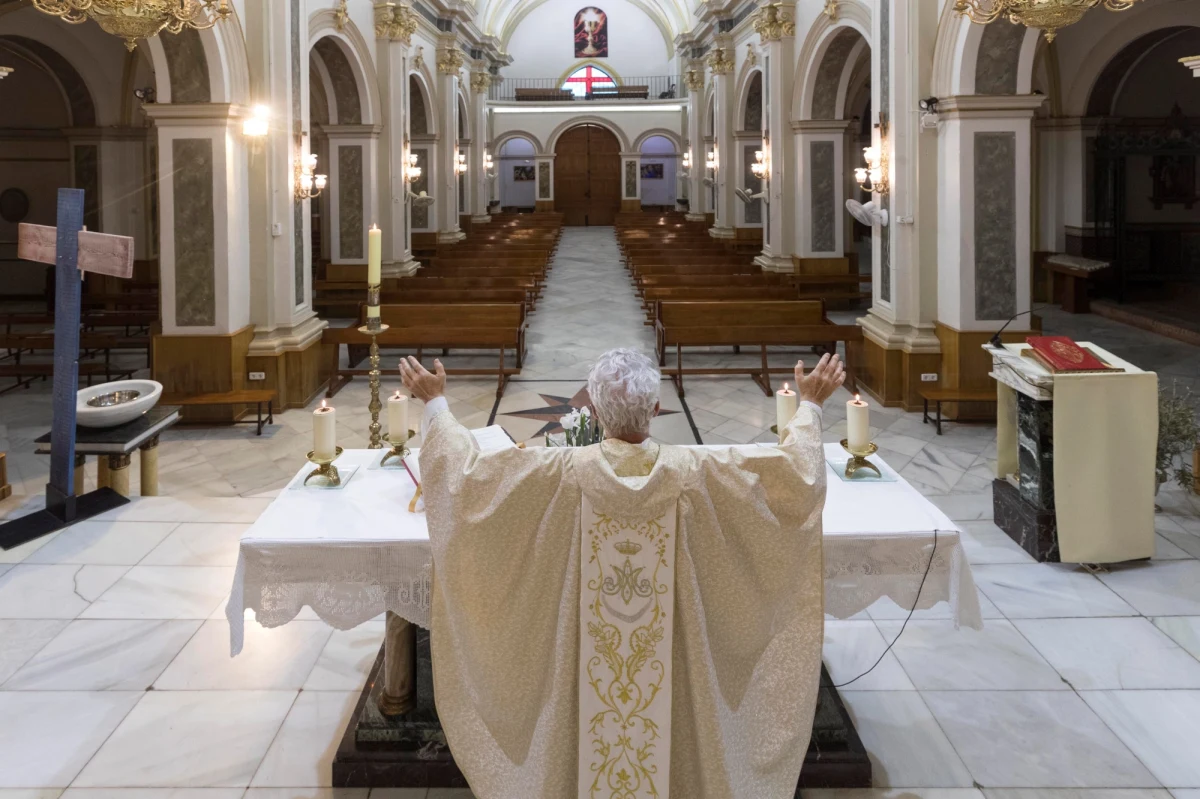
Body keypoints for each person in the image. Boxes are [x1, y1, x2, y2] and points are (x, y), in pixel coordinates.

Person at [400, 348, 845, 799]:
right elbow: (796, 478)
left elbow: (465, 479)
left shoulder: (558, 474)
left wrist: (435, 403)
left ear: (591, 410)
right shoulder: (699, 472)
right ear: (655, 409)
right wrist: (811, 406)